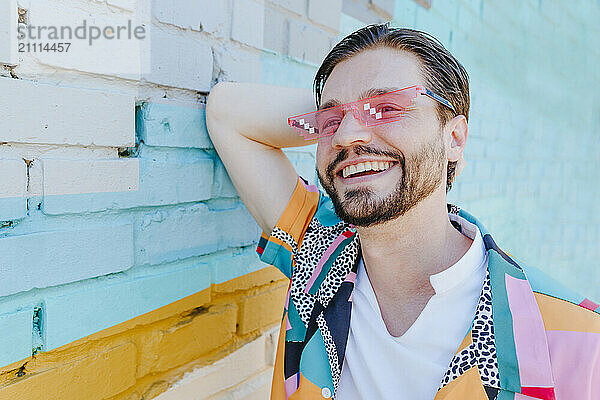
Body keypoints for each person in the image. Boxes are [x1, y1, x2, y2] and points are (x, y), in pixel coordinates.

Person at [206, 23, 600, 400]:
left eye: (388, 108)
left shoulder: (578, 339)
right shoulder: (320, 253)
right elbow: (228, 113)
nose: (346, 135)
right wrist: (349, 105)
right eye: (331, 121)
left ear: (455, 139)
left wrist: (352, 105)